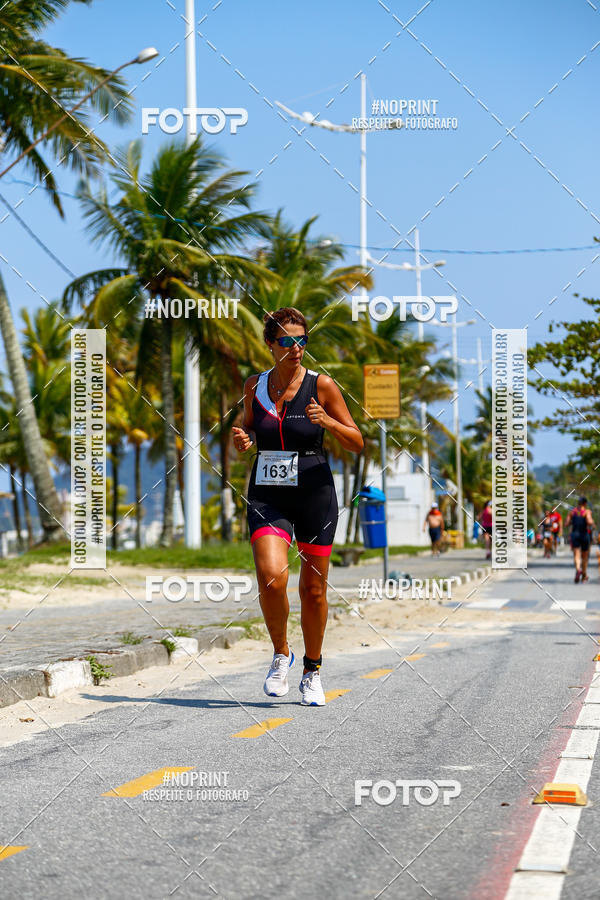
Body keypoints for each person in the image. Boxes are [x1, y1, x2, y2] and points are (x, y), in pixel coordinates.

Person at [232, 307, 364, 706]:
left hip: (314, 491)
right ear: (270, 344)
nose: (296, 348)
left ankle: (312, 669)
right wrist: (242, 439)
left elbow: (356, 442)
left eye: (302, 340)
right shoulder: (255, 384)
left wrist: (329, 422)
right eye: (287, 341)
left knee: (313, 590)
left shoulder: (322, 385)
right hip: (268, 491)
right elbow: (245, 425)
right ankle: (280, 653)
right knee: (271, 575)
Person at [566, 497, 595, 584]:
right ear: (585, 504)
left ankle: (578, 569)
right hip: (584, 535)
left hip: (575, 535)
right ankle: (584, 574)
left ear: (578, 503)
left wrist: (572, 522)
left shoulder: (572, 512)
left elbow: (566, 524)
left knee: (576, 555)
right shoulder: (586, 512)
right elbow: (589, 522)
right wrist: (592, 522)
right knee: (585, 556)